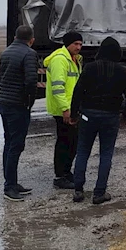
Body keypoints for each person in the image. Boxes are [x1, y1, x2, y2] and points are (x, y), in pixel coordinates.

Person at [69, 37, 126, 205]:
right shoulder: (122, 71)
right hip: (110, 116)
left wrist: (74, 114)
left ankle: (78, 190)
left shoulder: (90, 68)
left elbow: (78, 92)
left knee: (83, 151)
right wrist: (125, 115)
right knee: (106, 154)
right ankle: (99, 193)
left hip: (88, 115)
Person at [0, 24, 38, 201]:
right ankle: (9, 187)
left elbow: (0, 76)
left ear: (15, 37)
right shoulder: (29, 54)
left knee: (9, 143)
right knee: (16, 145)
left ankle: (12, 182)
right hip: (17, 105)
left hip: (4, 102)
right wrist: (29, 101)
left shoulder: (6, 52)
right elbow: (31, 81)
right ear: (32, 40)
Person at [44, 31, 83, 189]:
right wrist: (65, 109)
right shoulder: (60, 60)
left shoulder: (74, 60)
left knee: (73, 142)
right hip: (63, 110)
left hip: (72, 108)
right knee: (65, 142)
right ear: (67, 44)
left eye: (80, 44)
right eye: (75, 44)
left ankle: (66, 172)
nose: (79, 47)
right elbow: (58, 87)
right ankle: (60, 176)